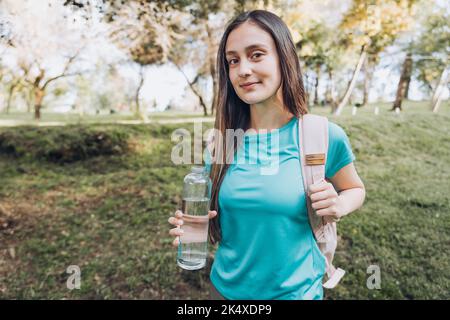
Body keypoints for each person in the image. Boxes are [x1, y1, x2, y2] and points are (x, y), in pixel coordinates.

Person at [168, 9, 366, 300]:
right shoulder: (221, 144)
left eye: (256, 54)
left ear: (284, 58)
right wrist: (194, 228)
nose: (243, 69)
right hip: (224, 293)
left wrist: (340, 204)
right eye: (233, 61)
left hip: (296, 294)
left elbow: (355, 189)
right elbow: (215, 219)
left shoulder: (321, 135)